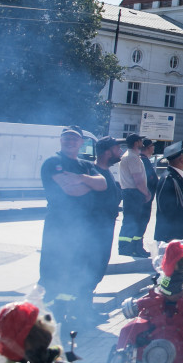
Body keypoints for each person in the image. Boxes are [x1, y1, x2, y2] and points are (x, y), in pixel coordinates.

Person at [38, 126, 108, 322]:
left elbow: (102, 183)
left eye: (74, 139)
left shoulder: (84, 165)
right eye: (67, 138)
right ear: (61, 140)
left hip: (82, 229)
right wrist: (89, 184)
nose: (70, 141)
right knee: (54, 271)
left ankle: (77, 315)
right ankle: (50, 318)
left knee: (77, 271)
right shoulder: (53, 162)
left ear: (81, 142)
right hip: (59, 228)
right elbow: (70, 190)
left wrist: (81, 179)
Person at [82, 136, 125, 320]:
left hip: (105, 229)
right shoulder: (94, 171)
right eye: (117, 148)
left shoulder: (106, 171)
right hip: (94, 232)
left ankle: (86, 309)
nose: (120, 152)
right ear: (108, 152)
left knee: (98, 268)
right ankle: (82, 313)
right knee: (90, 269)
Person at [117, 133, 152, 257]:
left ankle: (135, 247)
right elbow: (137, 179)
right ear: (136, 142)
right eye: (140, 140)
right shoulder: (132, 157)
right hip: (133, 193)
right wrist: (146, 193)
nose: (142, 142)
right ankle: (126, 248)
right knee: (131, 222)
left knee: (135, 221)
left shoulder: (132, 156)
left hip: (132, 193)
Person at [155, 141, 183, 243]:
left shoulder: (178, 177)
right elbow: (164, 208)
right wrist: (170, 236)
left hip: (180, 233)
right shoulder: (169, 178)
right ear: (181, 160)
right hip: (171, 235)